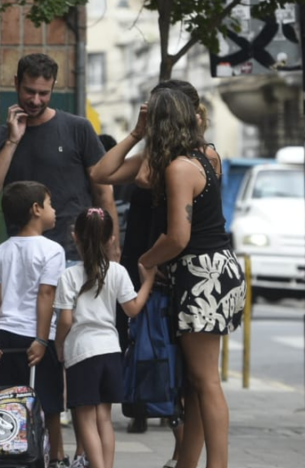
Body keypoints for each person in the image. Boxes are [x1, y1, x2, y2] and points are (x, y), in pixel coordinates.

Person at [95, 87, 244, 468]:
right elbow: (100, 173)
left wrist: (146, 261)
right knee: (195, 383)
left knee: (205, 380)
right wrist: (135, 134)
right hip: (213, 271)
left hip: (202, 274)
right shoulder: (199, 158)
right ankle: (187, 463)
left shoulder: (179, 168)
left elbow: (178, 236)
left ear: (160, 124)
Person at [0, 52, 119, 261]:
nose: (35, 100)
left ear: (53, 87)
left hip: (74, 257)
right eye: (29, 91)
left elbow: (103, 193)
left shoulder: (78, 129)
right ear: (16, 83)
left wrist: (112, 252)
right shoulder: (2, 137)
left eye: (43, 93)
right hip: (24, 260)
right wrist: (12, 142)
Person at [53, 208, 157, 468]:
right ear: (111, 239)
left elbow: (65, 321)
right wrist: (148, 282)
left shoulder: (68, 276)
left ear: (75, 236)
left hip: (81, 354)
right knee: (104, 419)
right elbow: (132, 309)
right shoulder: (118, 272)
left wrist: (58, 345)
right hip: (110, 352)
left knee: (85, 419)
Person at [0, 181, 70, 468]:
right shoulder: (53, 250)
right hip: (36, 336)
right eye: (50, 204)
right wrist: (42, 339)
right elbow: (46, 294)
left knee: (6, 401)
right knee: (49, 403)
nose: (54, 210)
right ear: (36, 209)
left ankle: (8, 454)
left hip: (5, 335)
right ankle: (56, 457)